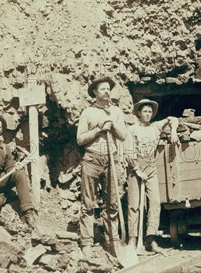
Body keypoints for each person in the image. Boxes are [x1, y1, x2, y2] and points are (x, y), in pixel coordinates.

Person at [77, 76, 128, 258]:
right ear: (95, 93)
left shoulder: (115, 112)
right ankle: (87, 242)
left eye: (109, 89)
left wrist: (112, 124)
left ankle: (112, 241)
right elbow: (80, 139)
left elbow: (123, 136)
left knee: (112, 204)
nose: (107, 92)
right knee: (88, 203)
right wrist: (98, 130)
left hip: (111, 160)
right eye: (103, 89)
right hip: (91, 159)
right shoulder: (87, 113)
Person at [125, 99, 179, 253]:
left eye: (150, 112)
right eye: (145, 111)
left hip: (151, 169)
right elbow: (128, 153)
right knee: (134, 205)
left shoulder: (155, 127)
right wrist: (137, 170)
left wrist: (174, 130)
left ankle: (150, 239)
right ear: (139, 113)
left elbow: (172, 119)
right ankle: (132, 240)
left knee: (155, 202)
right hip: (134, 169)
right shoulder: (132, 129)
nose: (148, 114)